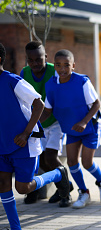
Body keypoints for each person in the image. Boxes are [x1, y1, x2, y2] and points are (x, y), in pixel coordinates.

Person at [0, 42, 70, 230]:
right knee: (3, 185)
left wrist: (25, 132)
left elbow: (38, 104)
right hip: (2, 145)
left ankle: (57, 174)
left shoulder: (14, 81)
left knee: (24, 188)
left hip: (24, 143)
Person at [42, 49, 101, 209]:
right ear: (54, 67)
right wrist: (32, 126)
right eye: (58, 65)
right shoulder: (50, 85)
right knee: (72, 162)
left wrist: (84, 122)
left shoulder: (82, 81)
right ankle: (84, 192)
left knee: (87, 162)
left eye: (66, 65)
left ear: (73, 65)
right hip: (70, 129)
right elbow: (47, 110)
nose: (62, 69)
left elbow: (96, 104)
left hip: (90, 126)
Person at [20, 41, 73, 207]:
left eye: (39, 59)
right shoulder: (24, 73)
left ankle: (65, 194)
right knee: (40, 161)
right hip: (36, 124)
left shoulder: (55, 70)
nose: (35, 63)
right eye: (31, 60)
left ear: (46, 57)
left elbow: (69, 88)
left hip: (55, 122)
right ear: (27, 60)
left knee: (50, 157)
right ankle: (65, 185)